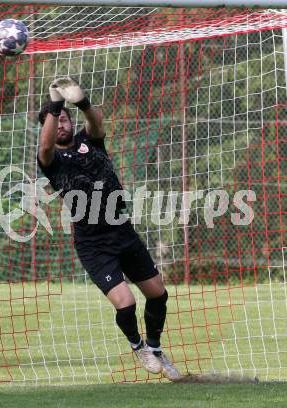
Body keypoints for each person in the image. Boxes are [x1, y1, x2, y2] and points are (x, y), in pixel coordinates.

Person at [36, 77, 181, 380]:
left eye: (64, 120)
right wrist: (55, 105)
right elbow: (46, 144)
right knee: (125, 303)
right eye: (55, 121)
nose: (60, 124)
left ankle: (155, 348)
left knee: (158, 294)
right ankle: (137, 345)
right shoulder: (51, 160)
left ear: (71, 122)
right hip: (93, 243)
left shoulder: (91, 141)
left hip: (122, 230)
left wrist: (83, 102)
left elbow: (96, 123)